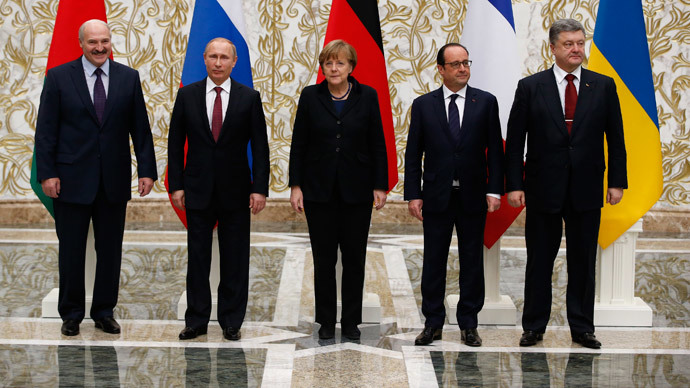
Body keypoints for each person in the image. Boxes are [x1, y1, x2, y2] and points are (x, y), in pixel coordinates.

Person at [505, 19, 627, 349]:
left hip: (587, 189)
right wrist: (514, 184)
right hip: (543, 188)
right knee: (539, 261)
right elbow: (516, 141)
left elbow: (615, 138)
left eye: (580, 43)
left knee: (583, 262)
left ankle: (582, 328)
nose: (576, 49)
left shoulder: (603, 86)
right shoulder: (531, 87)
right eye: (569, 44)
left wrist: (617, 182)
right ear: (553, 48)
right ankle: (534, 326)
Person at [35, 19, 158, 336]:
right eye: (93, 42)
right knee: (72, 250)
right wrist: (47, 173)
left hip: (113, 181)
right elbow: (46, 131)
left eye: (104, 41)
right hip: (70, 180)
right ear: (81, 43)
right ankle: (71, 314)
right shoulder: (59, 77)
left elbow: (140, 130)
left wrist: (147, 171)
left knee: (110, 249)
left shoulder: (128, 78)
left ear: (110, 41)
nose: (100, 47)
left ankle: (104, 311)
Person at [167, 37, 270, 341]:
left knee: (234, 258)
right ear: (204, 59)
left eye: (224, 57)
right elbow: (175, 144)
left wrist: (259, 188)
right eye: (213, 56)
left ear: (234, 62)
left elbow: (260, 148)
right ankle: (196, 320)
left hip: (237, 191)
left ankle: (231, 320)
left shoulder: (248, 97)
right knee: (198, 257)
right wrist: (176, 185)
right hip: (196, 189)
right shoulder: (187, 95)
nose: (218, 62)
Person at [404, 43, 504, 346]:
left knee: (472, 260)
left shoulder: (485, 102)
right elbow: (413, 154)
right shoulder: (424, 105)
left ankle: (469, 323)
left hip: (474, 194)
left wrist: (494, 189)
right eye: (456, 64)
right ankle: (432, 322)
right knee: (434, 259)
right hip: (436, 195)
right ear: (441, 69)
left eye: (466, 63)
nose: (463, 69)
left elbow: (495, 153)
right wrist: (413, 194)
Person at [289, 39, 388, 341]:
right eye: (329, 63)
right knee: (324, 259)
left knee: (355, 258)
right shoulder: (310, 96)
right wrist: (296, 185)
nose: (334, 68)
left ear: (350, 67)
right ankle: (326, 321)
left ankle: (351, 321)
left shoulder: (367, 96)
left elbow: (377, 143)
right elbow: (299, 144)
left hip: (357, 190)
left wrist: (380, 185)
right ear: (323, 67)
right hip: (318, 191)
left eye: (340, 63)